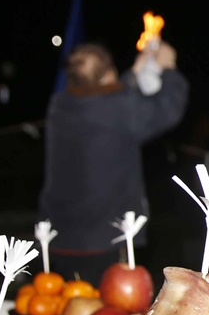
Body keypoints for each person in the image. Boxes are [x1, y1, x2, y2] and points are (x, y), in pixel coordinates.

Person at [39, 40, 188, 281]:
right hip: (102, 239)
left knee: (65, 308)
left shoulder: (60, 105)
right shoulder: (118, 109)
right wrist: (169, 68)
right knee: (106, 311)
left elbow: (108, 97)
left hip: (60, 237)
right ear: (109, 73)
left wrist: (134, 73)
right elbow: (167, 109)